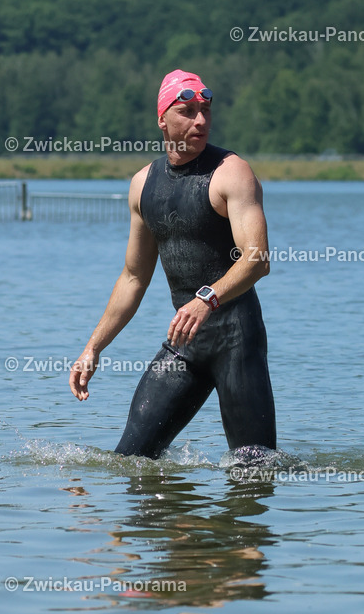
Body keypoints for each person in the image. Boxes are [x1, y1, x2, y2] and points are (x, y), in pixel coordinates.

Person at [68, 69, 276, 459]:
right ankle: (173, 520)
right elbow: (133, 277)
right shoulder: (143, 184)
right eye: (187, 111)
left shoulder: (231, 172)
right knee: (130, 462)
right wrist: (93, 347)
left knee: (255, 472)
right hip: (185, 348)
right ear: (162, 119)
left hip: (237, 343)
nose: (200, 120)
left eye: (206, 110)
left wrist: (206, 299)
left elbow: (258, 258)